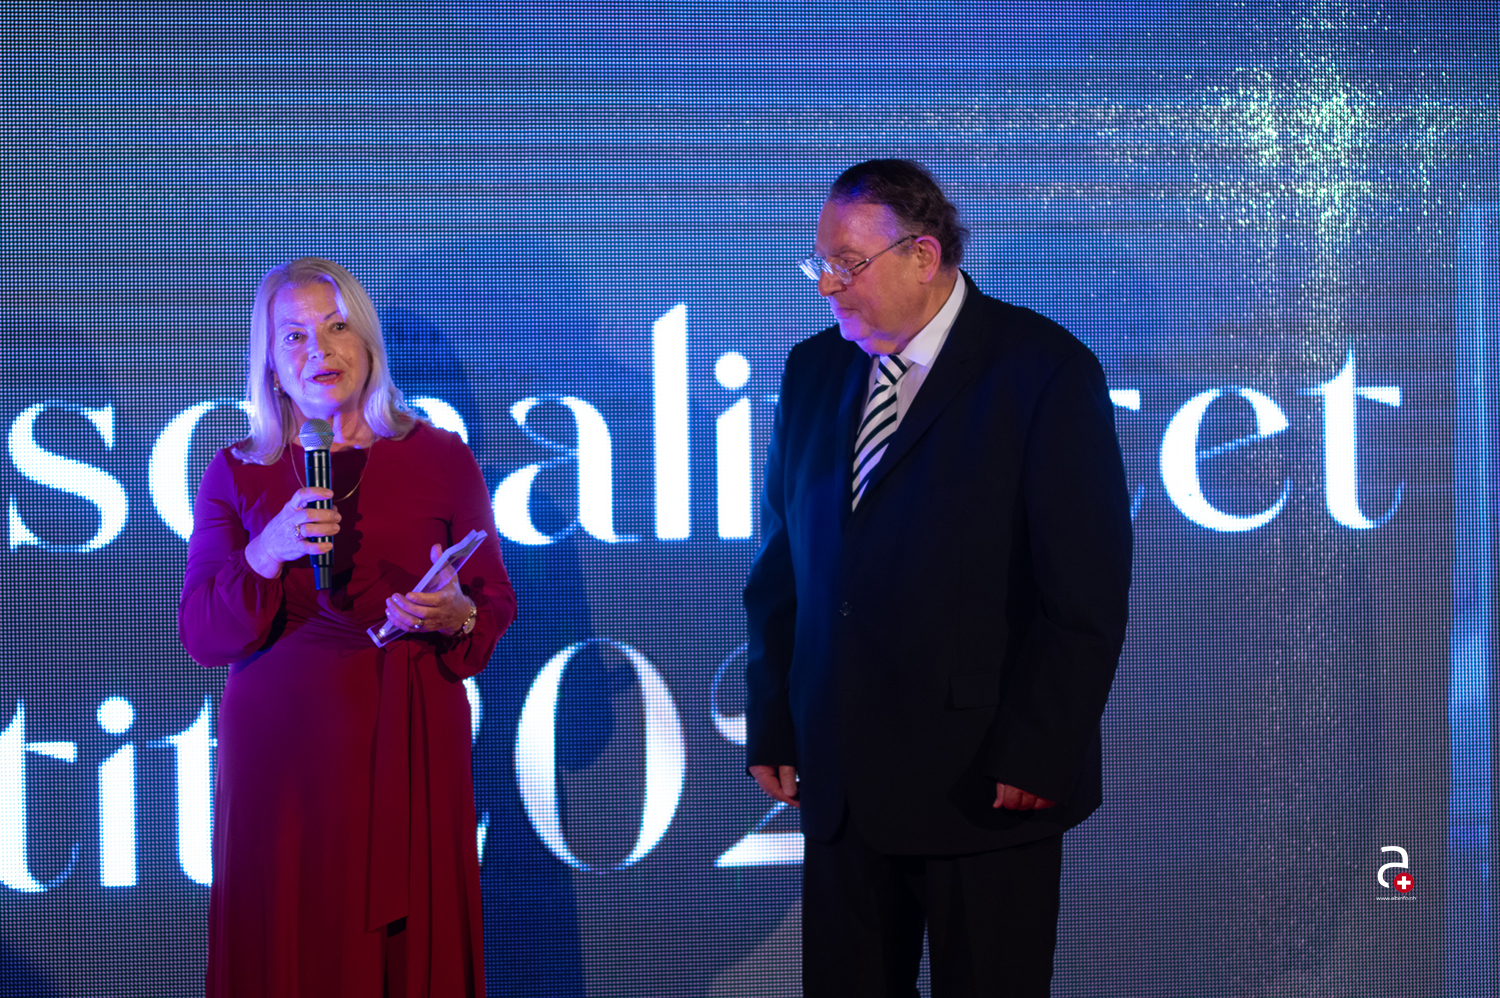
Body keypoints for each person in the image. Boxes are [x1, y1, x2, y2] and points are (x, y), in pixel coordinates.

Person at [744, 160, 1132, 997]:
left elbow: (1085, 592)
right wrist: (776, 718)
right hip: (844, 782)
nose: (828, 287)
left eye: (847, 264)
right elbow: (784, 567)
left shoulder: (1043, 371)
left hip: (985, 783)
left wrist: (1040, 752)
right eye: (820, 264)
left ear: (923, 256)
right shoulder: (813, 371)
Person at [179, 257, 516, 997]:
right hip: (282, 761)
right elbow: (202, 633)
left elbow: (492, 601)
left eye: (336, 327)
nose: (319, 350)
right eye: (294, 336)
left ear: (366, 343)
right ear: (271, 362)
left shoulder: (439, 456)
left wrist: (456, 613)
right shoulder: (236, 472)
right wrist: (267, 550)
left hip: (409, 740)